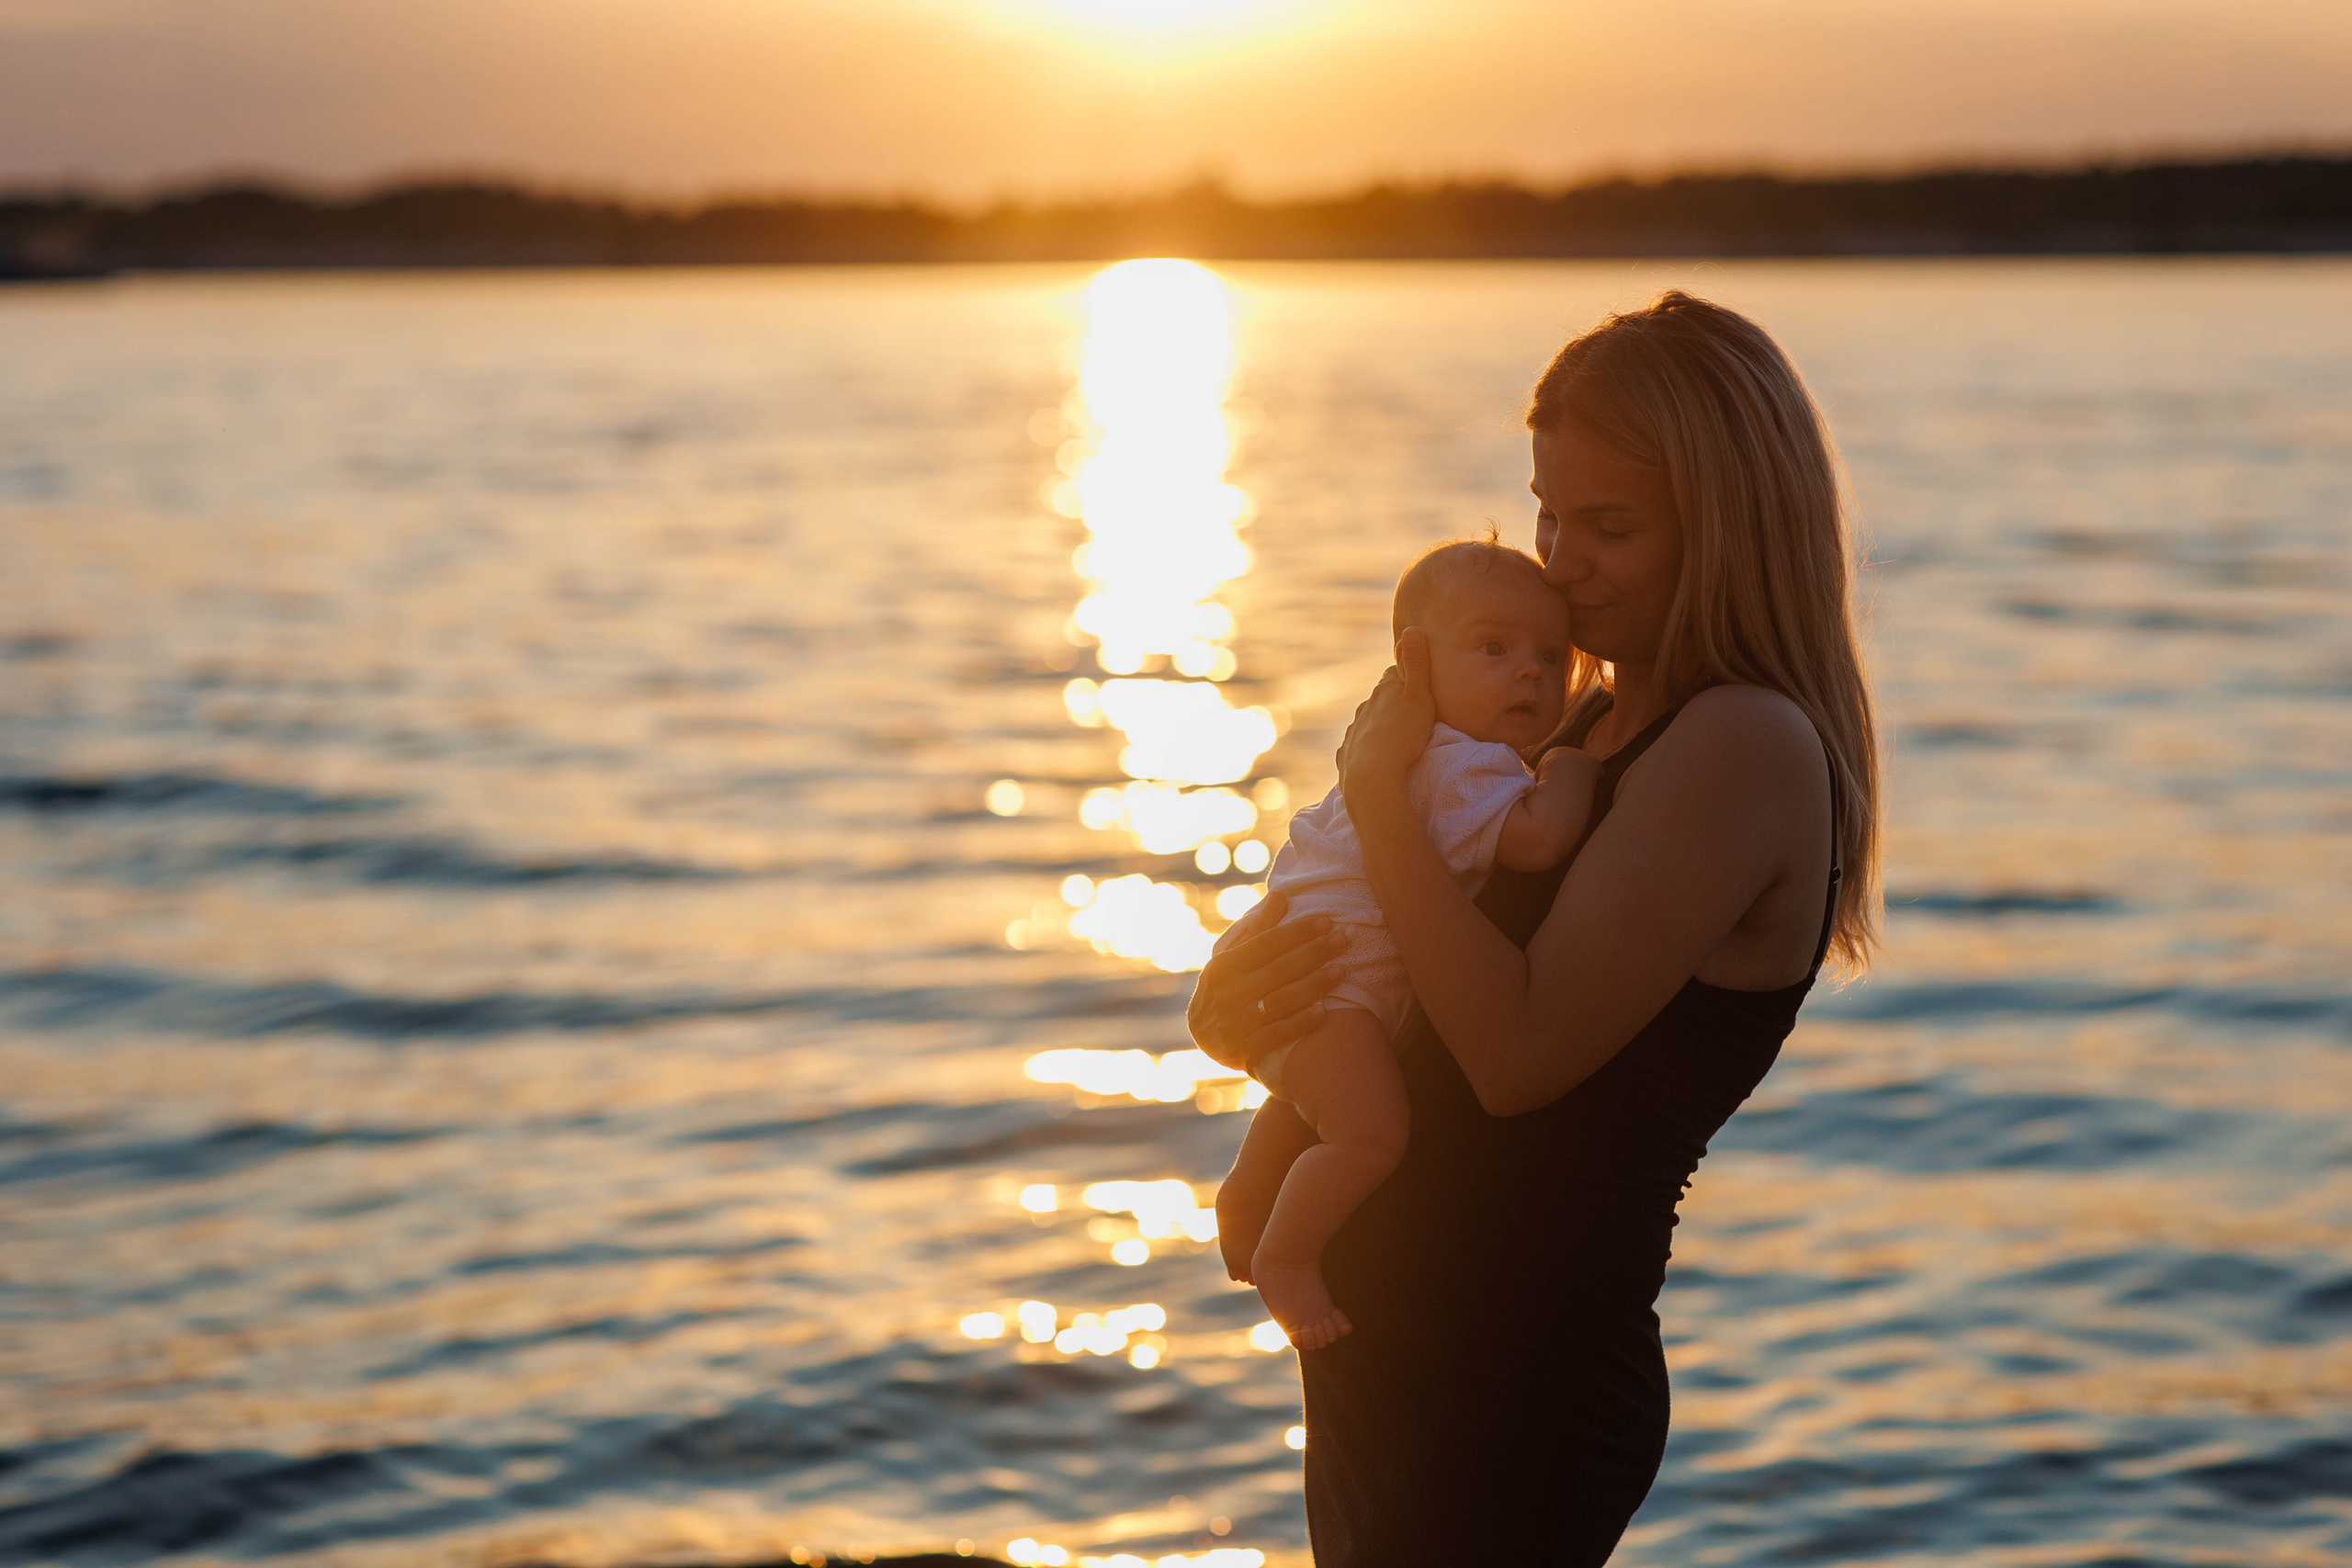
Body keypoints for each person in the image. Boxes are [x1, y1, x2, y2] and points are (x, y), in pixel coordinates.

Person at [1189, 289, 1881, 1564]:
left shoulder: (1741, 745)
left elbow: (1511, 1055)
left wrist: (1380, 791)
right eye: (1549, 511)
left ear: (1728, 528)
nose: (1558, 559)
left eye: (1610, 527)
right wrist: (1246, 1019)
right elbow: (1413, 994)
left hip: (1512, 1391)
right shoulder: (1569, 729)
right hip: (1393, 1361)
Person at [1214, 538, 1602, 1351]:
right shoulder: (1463, 765)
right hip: (1342, 980)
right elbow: (1535, 840)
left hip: (1320, 970)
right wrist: (1571, 770)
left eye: (1548, 654)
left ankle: (1250, 1193)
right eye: (1494, 649)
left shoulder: (1413, 758)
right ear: (1413, 665)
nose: (1529, 672)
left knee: (1309, 1097)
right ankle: (1288, 1256)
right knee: (1369, 1133)